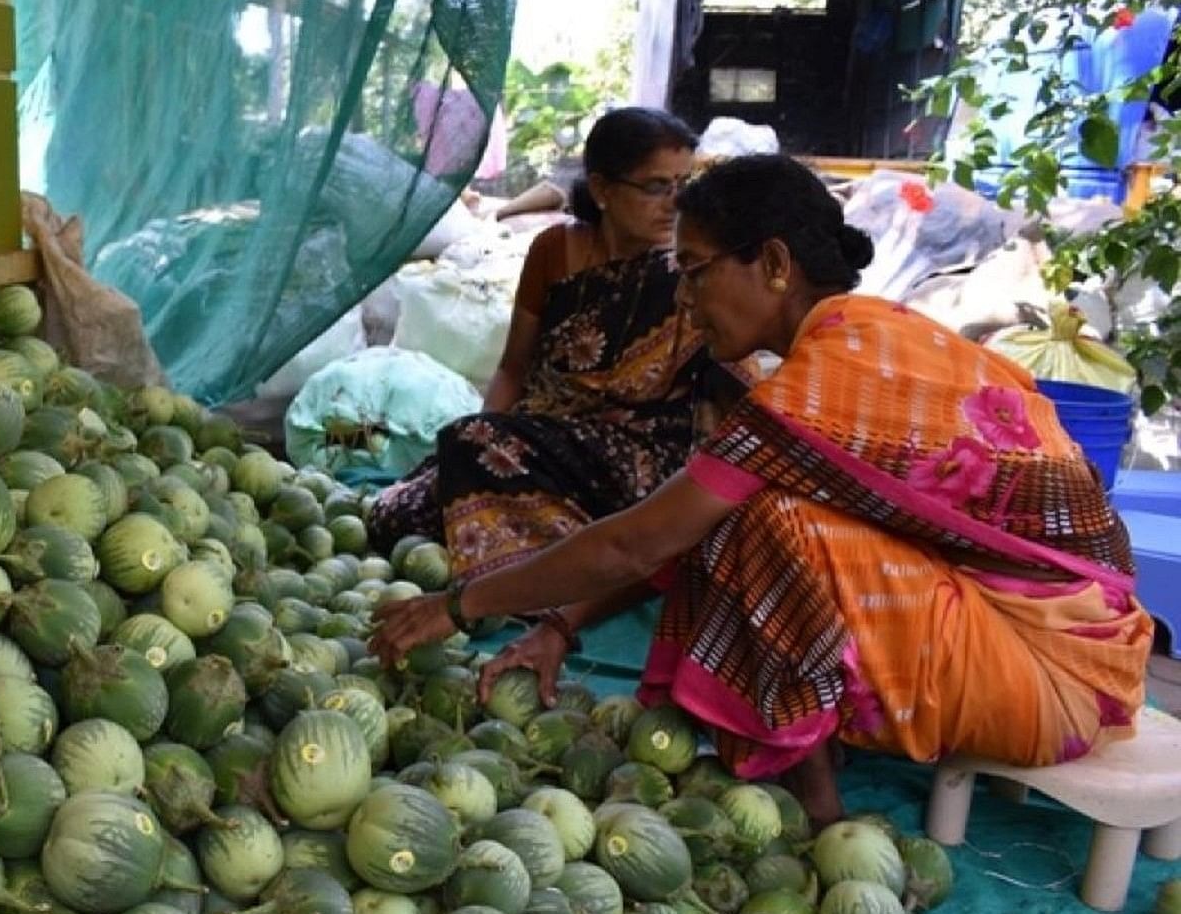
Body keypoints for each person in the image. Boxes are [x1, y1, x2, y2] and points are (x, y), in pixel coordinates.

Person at [370, 154, 1153, 826]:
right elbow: (665, 528)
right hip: (1088, 635)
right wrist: (559, 629)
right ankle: (812, 764)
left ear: (774, 265)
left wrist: (457, 604)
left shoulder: (821, 384)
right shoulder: (876, 335)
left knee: (768, 519)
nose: (681, 299)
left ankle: (817, 807)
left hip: (1056, 669)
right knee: (739, 501)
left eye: (694, 270)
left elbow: (639, 539)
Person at [370, 108, 753, 654]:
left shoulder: (689, 268)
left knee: (470, 455)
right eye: (655, 187)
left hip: (644, 458)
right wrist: (483, 432)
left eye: (683, 185)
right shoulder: (555, 251)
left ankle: (561, 573)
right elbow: (514, 367)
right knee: (399, 511)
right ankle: (562, 556)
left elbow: (739, 374)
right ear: (601, 188)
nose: (675, 203)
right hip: (547, 443)